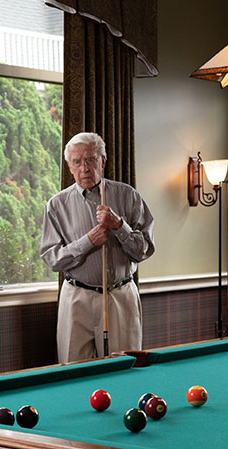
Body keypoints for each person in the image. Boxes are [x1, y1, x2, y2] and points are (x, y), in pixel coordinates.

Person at [40, 132, 155, 362]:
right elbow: (53, 259)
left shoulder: (127, 195)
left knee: (125, 367)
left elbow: (145, 249)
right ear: (69, 167)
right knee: (74, 371)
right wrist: (88, 241)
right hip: (77, 297)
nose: (84, 168)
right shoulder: (56, 205)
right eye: (77, 162)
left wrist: (119, 226)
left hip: (120, 295)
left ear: (102, 161)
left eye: (90, 159)